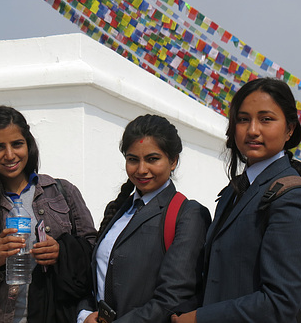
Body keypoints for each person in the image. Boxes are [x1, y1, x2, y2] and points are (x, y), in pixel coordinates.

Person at [172, 77, 301, 323]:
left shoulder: (295, 199)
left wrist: (200, 318)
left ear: (289, 129)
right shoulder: (233, 193)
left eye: (266, 119)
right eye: (243, 119)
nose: (252, 130)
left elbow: (280, 303)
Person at [0, 105, 97, 323]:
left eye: (17, 144)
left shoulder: (62, 192)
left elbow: (94, 252)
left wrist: (61, 253)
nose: (9, 155)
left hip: (57, 315)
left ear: (28, 145)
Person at [77, 114, 211, 323]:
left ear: (173, 160)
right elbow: (94, 280)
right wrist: (84, 315)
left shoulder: (188, 215)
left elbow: (172, 298)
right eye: (133, 159)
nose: (141, 170)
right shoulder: (119, 209)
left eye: (152, 159)